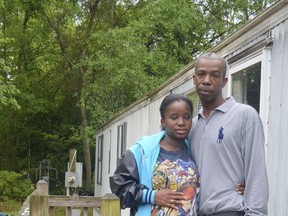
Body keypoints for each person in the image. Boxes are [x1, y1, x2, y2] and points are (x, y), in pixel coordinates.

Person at [189, 52, 269, 216]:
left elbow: (256, 171)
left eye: (215, 75)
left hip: (229, 210)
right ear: (194, 79)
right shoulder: (191, 126)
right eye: (201, 74)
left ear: (225, 81)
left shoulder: (244, 115)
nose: (206, 80)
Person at [110, 94, 201, 216]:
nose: (181, 122)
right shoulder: (142, 151)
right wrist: (151, 196)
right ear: (163, 121)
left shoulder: (195, 150)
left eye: (187, 117)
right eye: (174, 117)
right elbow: (119, 187)